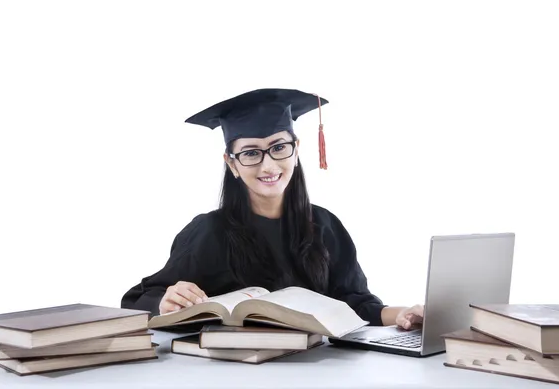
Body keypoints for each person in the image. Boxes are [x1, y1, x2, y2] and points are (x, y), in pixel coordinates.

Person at [120, 88, 424, 330]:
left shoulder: (324, 224)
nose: (268, 165)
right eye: (251, 153)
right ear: (231, 163)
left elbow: (355, 304)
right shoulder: (209, 232)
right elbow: (135, 299)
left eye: (279, 147)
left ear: (296, 148)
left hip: (319, 371)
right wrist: (166, 301)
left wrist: (404, 314)